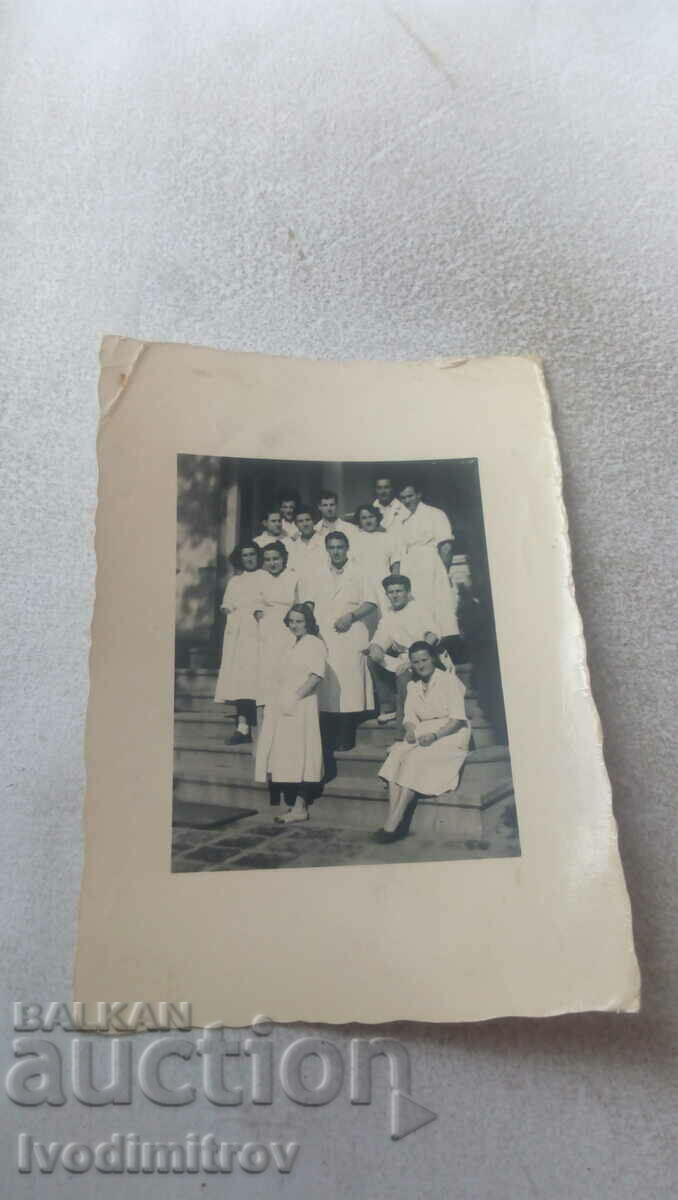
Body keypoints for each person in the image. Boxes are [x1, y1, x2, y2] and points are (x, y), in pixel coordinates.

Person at [371, 642, 470, 843]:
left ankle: (393, 823)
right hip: (422, 730)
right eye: (415, 662)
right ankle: (393, 817)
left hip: (450, 733)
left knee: (414, 759)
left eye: (424, 660)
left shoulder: (449, 680)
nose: (420, 665)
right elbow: (409, 717)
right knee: (396, 755)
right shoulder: (412, 685)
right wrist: (409, 729)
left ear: (433, 658)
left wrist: (435, 736)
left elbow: (457, 718)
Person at [298, 530, 377, 751]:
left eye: (340, 547)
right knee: (327, 681)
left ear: (347, 548)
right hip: (324, 633)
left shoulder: (360, 571)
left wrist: (351, 616)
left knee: (349, 682)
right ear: (327, 550)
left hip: (351, 632)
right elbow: (308, 603)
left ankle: (346, 734)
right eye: (332, 547)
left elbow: (371, 602)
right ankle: (327, 735)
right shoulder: (316, 573)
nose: (336, 552)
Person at [255, 603, 327, 824]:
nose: (294, 625)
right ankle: (295, 806)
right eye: (291, 621)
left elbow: (315, 677)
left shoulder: (315, 643)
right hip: (284, 706)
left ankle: (300, 807)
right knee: (290, 755)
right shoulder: (291, 645)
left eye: (299, 621)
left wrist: (294, 697)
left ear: (308, 622)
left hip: (302, 704)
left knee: (305, 755)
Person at [367, 574, 442, 725]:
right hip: (402, 659)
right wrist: (375, 648)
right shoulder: (388, 615)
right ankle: (388, 707)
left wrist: (412, 661)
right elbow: (379, 639)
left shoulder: (420, 609)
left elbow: (432, 636)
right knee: (372, 660)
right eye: (391, 592)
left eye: (398, 591)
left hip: (426, 657)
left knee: (403, 675)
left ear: (408, 592)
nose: (394, 595)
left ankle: (402, 732)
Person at [214, 542, 265, 744]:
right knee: (242, 680)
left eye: (252, 554)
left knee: (259, 678)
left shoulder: (265, 577)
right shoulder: (235, 581)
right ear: (240, 558)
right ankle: (242, 726)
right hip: (240, 636)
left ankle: (262, 726)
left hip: (260, 634)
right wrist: (226, 609)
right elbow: (227, 603)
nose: (249, 558)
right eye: (245, 555)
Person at [397, 481, 460, 639]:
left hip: (430, 566)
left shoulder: (435, 514)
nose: (407, 500)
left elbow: (446, 546)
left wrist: (442, 572)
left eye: (410, 496)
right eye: (403, 497)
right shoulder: (402, 519)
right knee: (415, 606)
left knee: (434, 606)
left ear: (419, 494)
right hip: (409, 567)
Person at [254, 541, 299, 710]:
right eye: (268, 559)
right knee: (267, 674)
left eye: (276, 558)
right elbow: (256, 602)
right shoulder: (261, 578)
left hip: (289, 628)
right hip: (267, 629)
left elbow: (301, 603)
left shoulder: (294, 577)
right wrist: (259, 614)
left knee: (286, 671)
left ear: (284, 558)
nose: (272, 563)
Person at [350, 504, 401, 630]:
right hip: (362, 585)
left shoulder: (387, 537)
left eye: (371, 516)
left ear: (377, 518)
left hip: (383, 584)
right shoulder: (353, 540)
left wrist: (394, 585)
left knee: (387, 619)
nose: (368, 520)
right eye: (364, 518)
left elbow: (395, 563)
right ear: (359, 521)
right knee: (365, 621)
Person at [289, 506, 324, 572]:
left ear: (314, 521)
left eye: (308, 520)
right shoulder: (293, 546)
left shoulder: (324, 541)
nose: (305, 524)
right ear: (296, 524)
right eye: (300, 521)